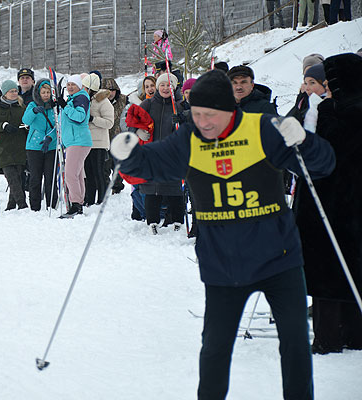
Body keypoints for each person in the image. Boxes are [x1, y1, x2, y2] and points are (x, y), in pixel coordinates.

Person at [111, 69, 335, 400]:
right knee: (215, 350)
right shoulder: (189, 139)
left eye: (210, 115)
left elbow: (321, 165)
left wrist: (305, 140)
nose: (203, 122)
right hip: (223, 267)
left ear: (231, 110)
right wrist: (127, 153)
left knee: (295, 345)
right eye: (197, 114)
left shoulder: (262, 129)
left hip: (279, 260)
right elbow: (149, 164)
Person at [296, 53, 362, 355]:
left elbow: (315, 155)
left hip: (329, 203)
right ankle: (354, 332)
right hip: (351, 206)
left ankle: (328, 337)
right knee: (353, 267)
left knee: (327, 270)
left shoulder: (329, 111)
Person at [137, 73, 185, 234]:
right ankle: (152, 221)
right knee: (152, 188)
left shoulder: (179, 106)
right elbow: (133, 121)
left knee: (174, 187)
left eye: (169, 85)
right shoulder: (148, 104)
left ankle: (177, 219)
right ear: (158, 87)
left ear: (175, 87)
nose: (166, 88)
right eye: (163, 85)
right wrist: (138, 131)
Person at [0, 80, 29, 210]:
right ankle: (22, 204)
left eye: (16, 91)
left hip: (19, 146)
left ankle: (11, 205)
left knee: (17, 176)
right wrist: (3, 126)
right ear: (5, 93)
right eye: (12, 91)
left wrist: (26, 127)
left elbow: (29, 120)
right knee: (11, 176)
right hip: (3, 147)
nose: (14, 93)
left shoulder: (22, 106)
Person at [57, 74, 92, 217]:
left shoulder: (81, 98)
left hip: (78, 141)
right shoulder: (73, 99)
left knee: (70, 174)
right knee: (76, 174)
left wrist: (65, 106)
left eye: (73, 84)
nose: (70, 87)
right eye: (69, 84)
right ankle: (79, 203)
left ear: (80, 86)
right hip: (74, 141)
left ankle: (76, 204)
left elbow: (79, 117)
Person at [22, 78, 58, 211]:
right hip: (34, 147)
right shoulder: (32, 105)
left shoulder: (54, 107)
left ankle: (51, 205)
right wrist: (34, 111)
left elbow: (58, 125)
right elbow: (25, 120)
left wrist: (50, 137)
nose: (46, 95)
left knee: (50, 178)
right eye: (43, 92)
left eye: (48, 92)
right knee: (35, 178)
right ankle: (35, 206)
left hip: (51, 146)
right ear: (38, 93)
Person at [83, 73, 114, 206]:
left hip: (99, 143)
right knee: (88, 172)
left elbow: (109, 122)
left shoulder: (102, 101)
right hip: (86, 142)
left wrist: (93, 119)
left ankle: (102, 200)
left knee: (99, 172)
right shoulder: (85, 100)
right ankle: (89, 199)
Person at [102, 77, 127, 194]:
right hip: (104, 139)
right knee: (105, 166)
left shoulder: (124, 100)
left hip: (119, 139)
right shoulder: (100, 102)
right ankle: (106, 187)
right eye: (107, 90)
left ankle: (117, 186)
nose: (111, 93)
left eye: (113, 90)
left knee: (118, 166)